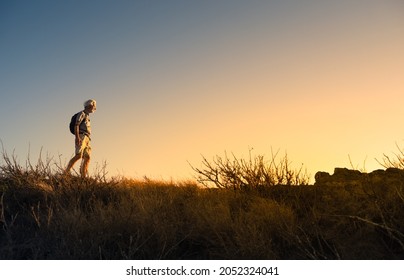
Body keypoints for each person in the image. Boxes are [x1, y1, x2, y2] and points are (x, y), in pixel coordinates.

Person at [65, 99, 97, 177]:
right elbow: (77, 125)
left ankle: (83, 176)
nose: (94, 108)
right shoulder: (81, 114)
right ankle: (66, 172)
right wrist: (77, 137)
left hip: (87, 138)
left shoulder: (87, 116)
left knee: (87, 157)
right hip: (81, 136)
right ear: (89, 106)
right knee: (79, 155)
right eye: (93, 106)